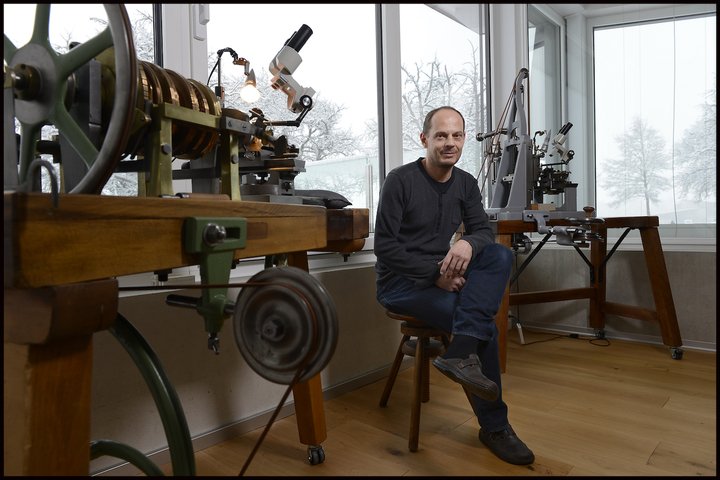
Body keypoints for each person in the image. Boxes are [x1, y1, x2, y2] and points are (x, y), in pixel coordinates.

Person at [374, 106, 534, 466]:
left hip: (440, 275)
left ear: (464, 139)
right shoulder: (400, 180)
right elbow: (385, 248)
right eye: (441, 136)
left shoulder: (464, 183)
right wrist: (435, 275)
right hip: (400, 284)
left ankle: (460, 351)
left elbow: (483, 230)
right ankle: (495, 427)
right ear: (425, 139)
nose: (450, 143)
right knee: (483, 329)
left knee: (498, 256)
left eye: (457, 136)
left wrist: (466, 244)